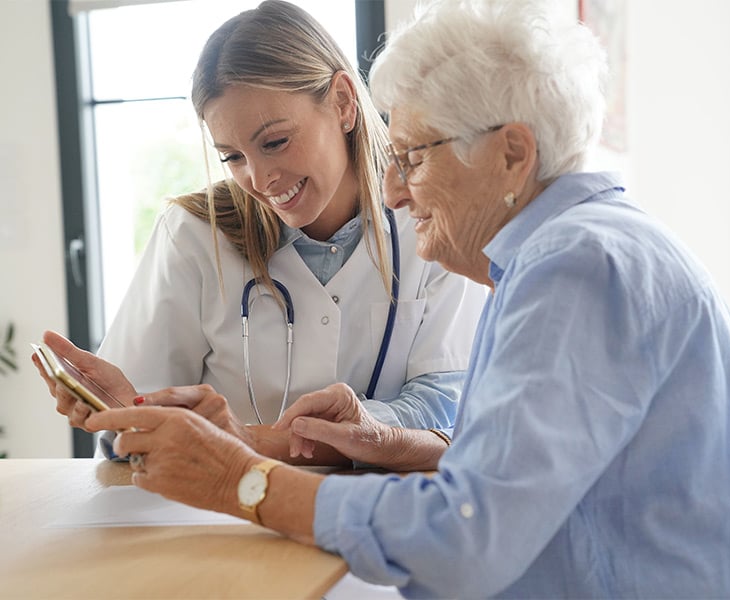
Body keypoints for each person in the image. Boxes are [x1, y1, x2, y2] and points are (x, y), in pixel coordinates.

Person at [46, 0, 730, 597]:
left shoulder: (578, 267)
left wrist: (242, 480)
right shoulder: (564, 251)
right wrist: (389, 443)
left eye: (411, 156)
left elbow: (467, 540)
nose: (396, 189)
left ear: (512, 152)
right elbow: (516, 474)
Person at [48, 0, 485, 463]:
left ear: (342, 102)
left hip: (383, 515)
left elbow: (448, 412)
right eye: (232, 157)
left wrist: (264, 441)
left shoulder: (429, 220)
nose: (259, 179)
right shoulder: (194, 235)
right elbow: (135, 433)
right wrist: (119, 413)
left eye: (275, 142)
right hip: (224, 521)